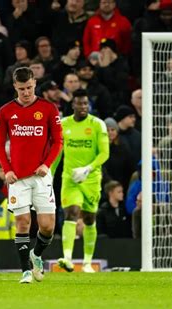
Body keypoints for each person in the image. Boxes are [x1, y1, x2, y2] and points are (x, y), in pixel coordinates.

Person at [0, 67, 62, 283]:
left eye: (30, 88)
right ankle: (25, 270)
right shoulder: (5, 111)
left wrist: (46, 164)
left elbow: (58, 141)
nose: (26, 92)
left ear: (35, 84)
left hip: (41, 176)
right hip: (18, 178)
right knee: (22, 222)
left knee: (47, 226)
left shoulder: (48, 108)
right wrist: (7, 169)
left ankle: (36, 255)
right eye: (22, 88)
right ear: (15, 86)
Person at [55, 89, 110, 273]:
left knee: (89, 219)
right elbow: (57, 152)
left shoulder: (97, 125)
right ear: (73, 105)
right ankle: (68, 258)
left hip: (91, 179)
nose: (83, 107)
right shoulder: (63, 125)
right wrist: (50, 173)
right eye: (79, 103)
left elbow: (104, 153)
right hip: (70, 178)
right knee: (72, 212)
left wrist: (88, 168)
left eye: (86, 103)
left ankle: (87, 262)